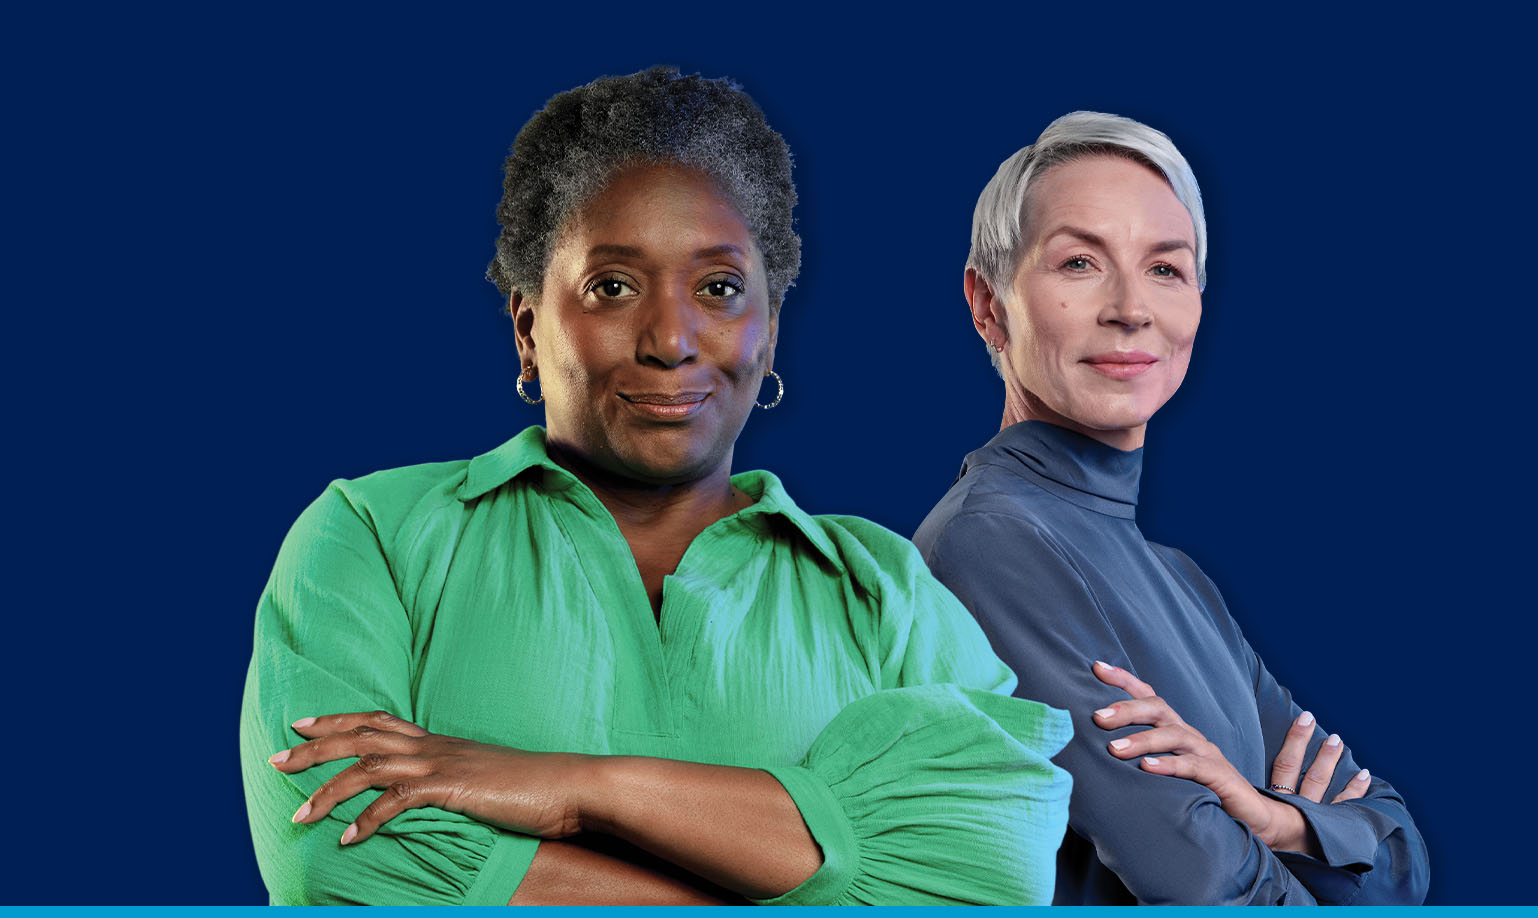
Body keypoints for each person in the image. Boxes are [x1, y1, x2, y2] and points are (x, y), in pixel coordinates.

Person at [239, 68, 1072, 906]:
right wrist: (797, 878)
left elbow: (993, 873)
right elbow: (337, 863)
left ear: (770, 330)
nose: (672, 340)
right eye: (612, 287)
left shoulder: (885, 589)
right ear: (529, 328)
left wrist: (575, 790)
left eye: (719, 289)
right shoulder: (373, 537)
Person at [913, 111, 1429, 905]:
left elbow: (1400, 864)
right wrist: (1307, 843)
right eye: (1080, 262)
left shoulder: (1181, 580)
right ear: (989, 307)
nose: (1131, 307)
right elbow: (1202, 887)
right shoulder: (991, 543)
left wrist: (1271, 818)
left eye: (1166, 268)